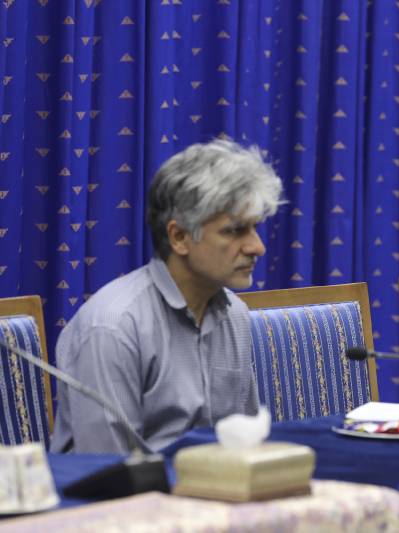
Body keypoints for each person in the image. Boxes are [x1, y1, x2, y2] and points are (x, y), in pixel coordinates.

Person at [51, 139, 283, 453]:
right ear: (179, 237)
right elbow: (108, 467)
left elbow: (246, 443)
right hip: (129, 484)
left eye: (254, 229)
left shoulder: (235, 314)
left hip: (216, 482)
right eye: (235, 230)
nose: (257, 247)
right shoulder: (113, 327)